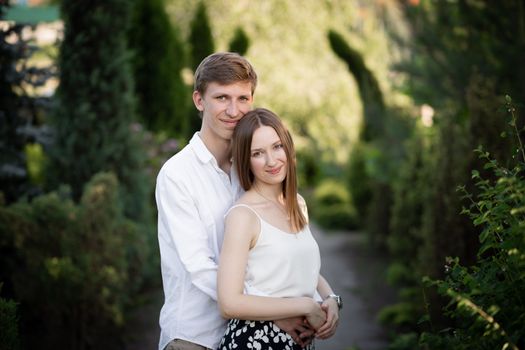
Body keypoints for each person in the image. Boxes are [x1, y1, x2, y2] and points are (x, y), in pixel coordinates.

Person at [155, 53, 321, 350]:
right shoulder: (177, 175)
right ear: (199, 100)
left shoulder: (251, 169)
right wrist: (274, 311)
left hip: (252, 336)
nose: (234, 110)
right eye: (221, 97)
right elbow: (200, 268)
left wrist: (325, 300)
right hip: (196, 337)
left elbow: (279, 255)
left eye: (243, 98)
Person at [217, 108, 341, 350]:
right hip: (255, 341)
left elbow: (302, 270)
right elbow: (228, 303)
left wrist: (332, 299)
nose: (272, 161)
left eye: (277, 147)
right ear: (246, 160)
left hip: (298, 343)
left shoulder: (297, 203)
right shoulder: (243, 216)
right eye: (258, 153)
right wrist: (305, 306)